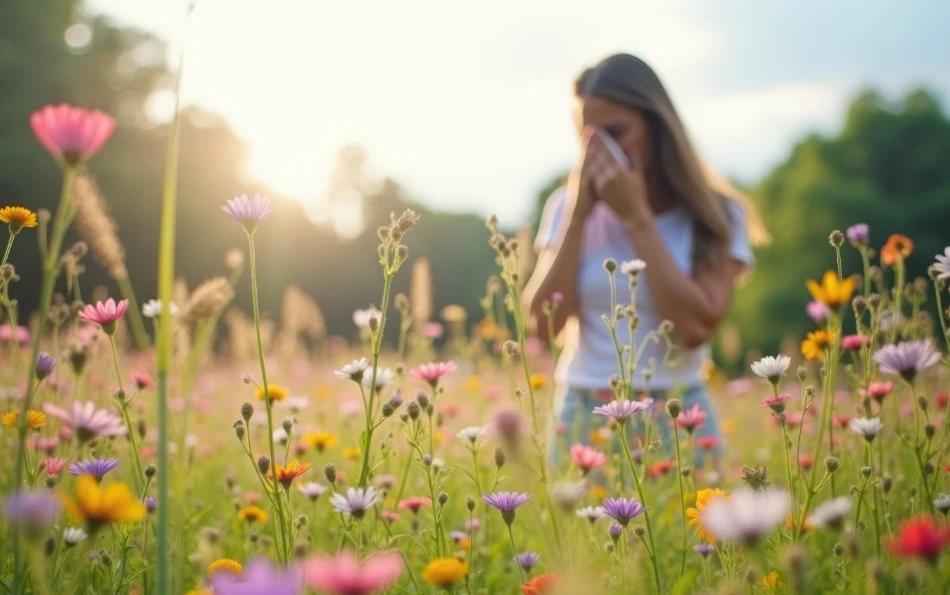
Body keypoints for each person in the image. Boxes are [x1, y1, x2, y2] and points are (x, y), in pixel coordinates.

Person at [523, 54, 768, 468]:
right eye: (590, 138)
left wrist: (638, 218)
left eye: (617, 132)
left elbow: (693, 328)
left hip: (679, 414)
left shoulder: (718, 215)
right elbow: (541, 325)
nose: (602, 152)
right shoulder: (566, 207)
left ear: (656, 128)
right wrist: (579, 216)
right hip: (585, 411)